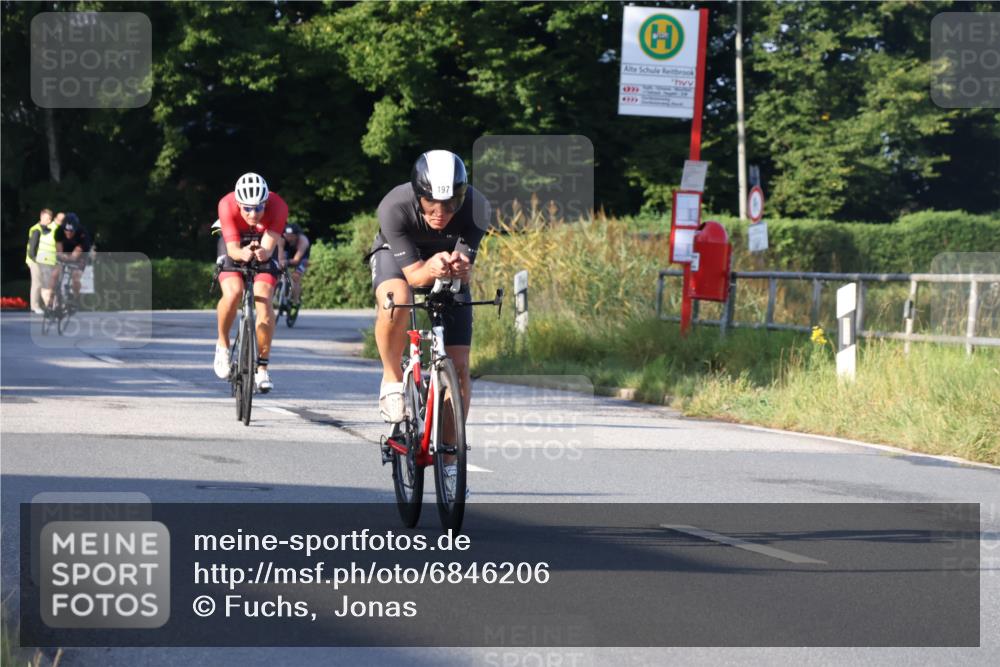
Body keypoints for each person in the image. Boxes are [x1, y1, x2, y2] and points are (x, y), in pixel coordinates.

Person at [368, 150, 490, 494]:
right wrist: (431, 267)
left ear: (462, 197)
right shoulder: (394, 206)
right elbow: (414, 277)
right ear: (417, 194)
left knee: (460, 367)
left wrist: (461, 267)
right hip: (398, 259)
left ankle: (450, 463)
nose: (440, 212)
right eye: (431, 203)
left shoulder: (478, 208)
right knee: (395, 299)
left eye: (450, 205)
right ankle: (392, 379)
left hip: (444, 264)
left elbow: (465, 264)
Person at [212, 173, 288, 393]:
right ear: (238, 204)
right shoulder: (226, 204)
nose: (253, 214)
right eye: (247, 208)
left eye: (259, 208)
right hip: (234, 242)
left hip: (262, 242)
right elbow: (233, 249)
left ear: (266, 203)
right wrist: (241, 253)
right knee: (233, 292)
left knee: (263, 298)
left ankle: (262, 368)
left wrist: (262, 252)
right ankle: (223, 345)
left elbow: (268, 248)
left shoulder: (279, 207)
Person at [53, 213, 92, 303]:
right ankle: (53, 298)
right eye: (66, 230)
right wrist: (61, 256)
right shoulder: (59, 231)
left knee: (75, 277)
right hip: (66, 252)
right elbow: (59, 250)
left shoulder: (82, 233)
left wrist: (70, 258)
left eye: (71, 231)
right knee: (55, 274)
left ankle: (76, 298)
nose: (68, 233)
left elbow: (75, 255)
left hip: (80, 255)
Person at [25, 208, 55, 314]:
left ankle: (44, 305)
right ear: (41, 217)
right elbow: (32, 249)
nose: (49, 220)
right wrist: (35, 260)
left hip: (42, 260)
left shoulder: (47, 229)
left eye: (50, 219)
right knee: (37, 283)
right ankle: (34, 306)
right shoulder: (36, 229)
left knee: (44, 284)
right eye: (47, 218)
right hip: (35, 260)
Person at [278, 223, 310, 317]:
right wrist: (281, 263)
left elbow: (296, 260)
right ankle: (281, 293)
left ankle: (295, 303)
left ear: (296, 236)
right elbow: (280, 257)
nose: (288, 237)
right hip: (288, 254)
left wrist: (286, 262)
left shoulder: (303, 241)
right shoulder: (282, 239)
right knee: (278, 269)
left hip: (301, 258)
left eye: (291, 236)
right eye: (286, 235)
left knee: (295, 277)